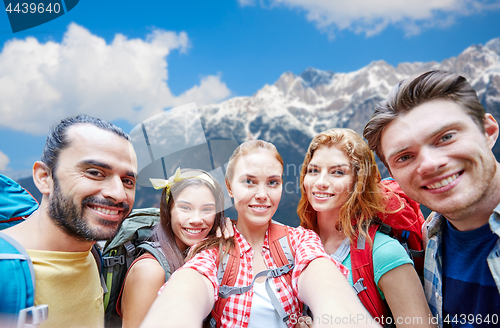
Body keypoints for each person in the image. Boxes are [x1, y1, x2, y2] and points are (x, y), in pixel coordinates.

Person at [140, 140, 379, 328]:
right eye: (249, 182)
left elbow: (322, 279)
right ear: (230, 187)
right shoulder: (213, 248)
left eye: (272, 183)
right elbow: (190, 283)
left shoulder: (300, 240)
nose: (262, 194)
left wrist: (337, 312)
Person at [363, 70, 500, 327]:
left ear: (489, 131)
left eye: (446, 137)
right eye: (404, 157)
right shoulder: (430, 237)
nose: (429, 165)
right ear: (392, 175)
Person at [1, 115, 138, 328]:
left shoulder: (94, 254)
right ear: (44, 177)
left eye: (128, 181)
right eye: (95, 173)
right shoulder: (4, 270)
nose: (119, 194)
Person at [298, 128, 433, 327]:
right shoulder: (296, 243)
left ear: (358, 182)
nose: (320, 182)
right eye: (314, 170)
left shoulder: (383, 252)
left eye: (338, 172)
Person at [119, 168, 229, 328]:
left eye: (207, 209)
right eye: (185, 207)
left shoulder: (209, 254)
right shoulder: (150, 271)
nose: (197, 220)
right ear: (167, 211)